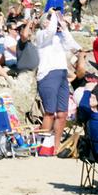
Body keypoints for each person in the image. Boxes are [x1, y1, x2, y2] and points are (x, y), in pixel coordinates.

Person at [36, 10, 80, 151]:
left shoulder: (60, 36)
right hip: (47, 74)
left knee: (62, 113)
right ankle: (43, 145)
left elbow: (74, 46)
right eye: (50, 19)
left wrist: (64, 27)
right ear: (44, 22)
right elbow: (49, 31)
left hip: (62, 74)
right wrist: (54, 14)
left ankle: (55, 146)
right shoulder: (41, 35)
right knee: (49, 112)